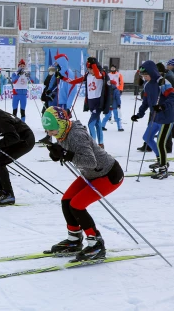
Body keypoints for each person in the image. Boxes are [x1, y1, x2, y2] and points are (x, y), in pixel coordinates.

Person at [41, 106, 124, 261]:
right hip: (91, 174)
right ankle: (74, 240)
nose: (50, 133)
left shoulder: (76, 135)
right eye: (47, 130)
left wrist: (66, 154)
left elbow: (90, 161)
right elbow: (68, 152)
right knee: (66, 201)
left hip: (107, 174)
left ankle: (96, 244)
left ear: (61, 123)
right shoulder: (63, 130)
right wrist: (57, 151)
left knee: (77, 205)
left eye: (52, 130)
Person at [131, 61, 174, 179]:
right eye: (143, 76)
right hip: (155, 117)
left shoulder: (162, 82)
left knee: (161, 143)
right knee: (147, 137)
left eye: (146, 75)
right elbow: (146, 101)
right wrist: (139, 114)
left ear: (152, 72)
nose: (144, 78)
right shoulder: (147, 84)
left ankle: (163, 169)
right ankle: (161, 160)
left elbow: (173, 97)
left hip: (166, 117)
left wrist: (162, 106)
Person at [101, 65, 124, 132]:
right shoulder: (116, 90)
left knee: (107, 116)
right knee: (117, 117)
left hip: (108, 105)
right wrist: (119, 104)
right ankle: (119, 127)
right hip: (115, 105)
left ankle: (102, 126)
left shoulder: (107, 90)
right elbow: (118, 98)